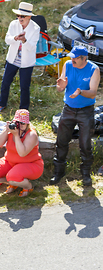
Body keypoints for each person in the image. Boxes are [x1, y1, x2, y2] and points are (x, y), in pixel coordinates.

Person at [50, 46, 100, 187]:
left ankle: (85, 173)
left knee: (85, 144)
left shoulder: (94, 69)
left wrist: (80, 92)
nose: (72, 59)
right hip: (68, 110)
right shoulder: (67, 64)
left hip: (86, 111)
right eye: (72, 56)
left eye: (75, 57)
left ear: (84, 58)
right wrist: (61, 86)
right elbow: (60, 87)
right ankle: (58, 172)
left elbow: (93, 93)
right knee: (61, 141)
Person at [0, 109, 44, 197]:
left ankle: (28, 186)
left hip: (31, 164)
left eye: (23, 123)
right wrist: (6, 131)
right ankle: (15, 182)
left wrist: (16, 135)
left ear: (27, 124)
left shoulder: (31, 134)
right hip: (10, 162)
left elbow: (22, 153)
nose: (20, 125)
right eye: (18, 122)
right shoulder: (11, 131)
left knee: (12, 177)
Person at [0, 2, 40, 113]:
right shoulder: (13, 24)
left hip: (26, 62)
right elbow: (7, 40)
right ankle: (2, 104)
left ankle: (23, 109)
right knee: (5, 82)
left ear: (29, 16)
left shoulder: (35, 28)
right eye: (18, 15)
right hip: (12, 59)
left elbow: (32, 48)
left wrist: (24, 41)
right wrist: (15, 38)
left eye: (22, 16)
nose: (20, 18)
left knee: (24, 86)